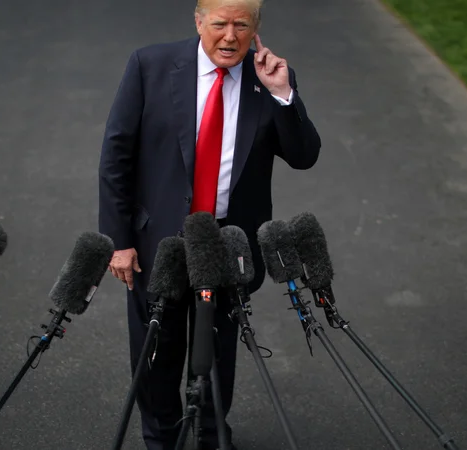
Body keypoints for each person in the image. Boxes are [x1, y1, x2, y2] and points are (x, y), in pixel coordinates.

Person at [98, 0, 321, 448]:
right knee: (157, 351)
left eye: (242, 25)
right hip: (157, 241)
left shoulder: (270, 79)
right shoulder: (150, 65)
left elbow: (303, 156)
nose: (230, 36)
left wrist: (282, 94)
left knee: (218, 351)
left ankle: (211, 437)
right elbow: (115, 156)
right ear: (198, 21)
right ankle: (161, 438)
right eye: (219, 24)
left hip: (229, 242)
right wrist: (118, 241)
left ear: (255, 28)